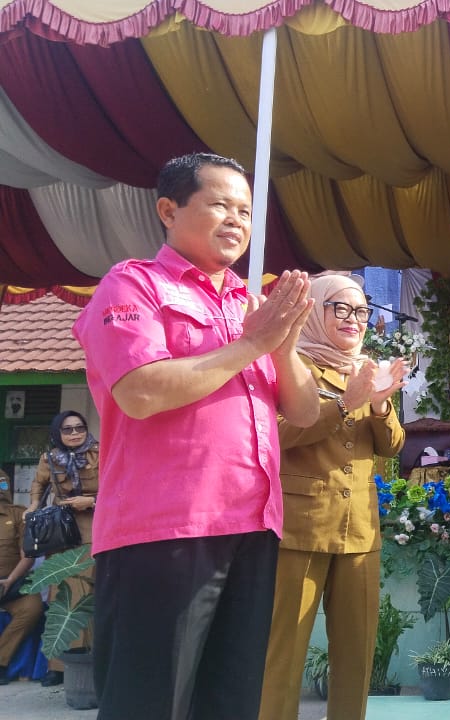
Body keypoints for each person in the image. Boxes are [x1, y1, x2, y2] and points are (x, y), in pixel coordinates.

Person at [72, 152, 320, 720]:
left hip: (253, 525)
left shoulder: (251, 306)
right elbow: (140, 391)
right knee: (151, 701)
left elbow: (303, 411)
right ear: (168, 209)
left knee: (230, 701)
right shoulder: (133, 284)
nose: (236, 221)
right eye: (219, 205)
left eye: (246, 211)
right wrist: (249, 346)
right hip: (166, 528)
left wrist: (280, 344)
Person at [258, 275, 407, 720]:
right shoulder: (289, 361)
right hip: (300, 528)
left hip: (360, 528)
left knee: (357, 656)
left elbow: (393, 445)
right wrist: (345, 403)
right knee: (283, 651)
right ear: (313, 310)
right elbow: (277, 432)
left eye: (361, 311)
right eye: (339, 308)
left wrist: (379, 405)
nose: (353, 320)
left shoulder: (364, 366)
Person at [24, 411, 99, 687]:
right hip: (60, 532)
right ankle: (58, 666)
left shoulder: (99, 453)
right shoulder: (49, 458)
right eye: (67, 430)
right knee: (61, 598)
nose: (74, 433)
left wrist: (89, 502)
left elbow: (119, 487)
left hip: (94, 527)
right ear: (58, 433)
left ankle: (88, 658)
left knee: (85, 592)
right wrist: (33, 505)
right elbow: (38, 484)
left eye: (80, 428)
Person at [0, 469, 40, 685]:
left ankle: (1, 661)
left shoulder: (19, 515)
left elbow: (28, 557)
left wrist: (10, 581)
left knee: (32, 607)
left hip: (11, 585)